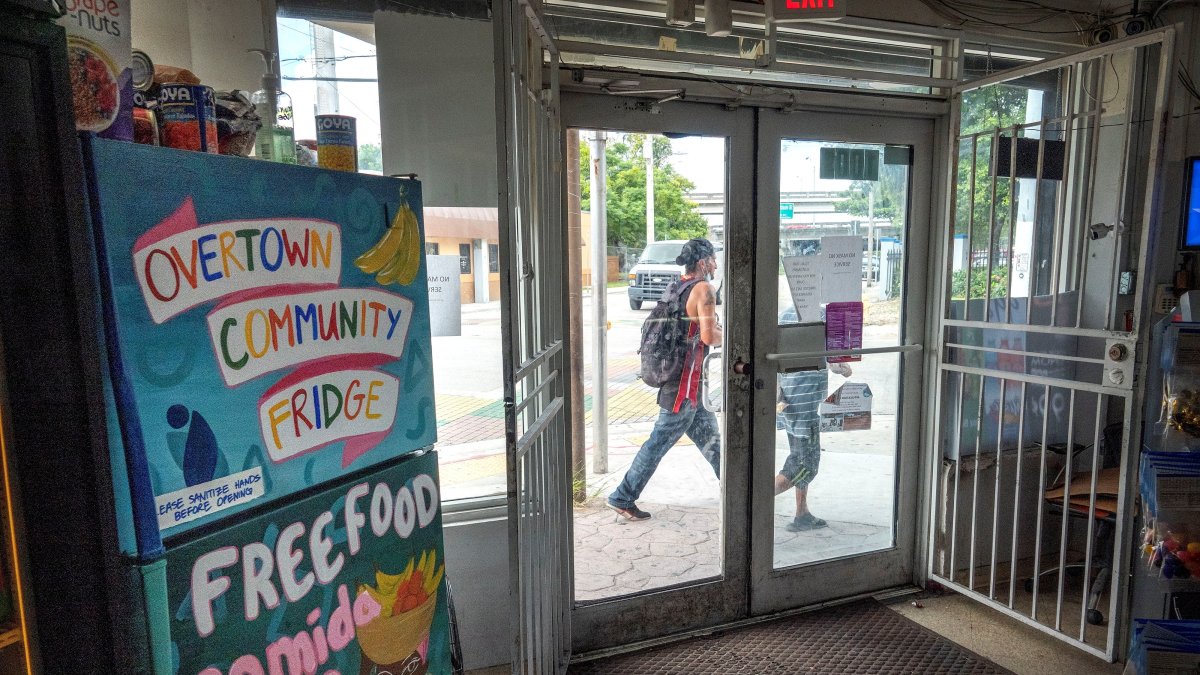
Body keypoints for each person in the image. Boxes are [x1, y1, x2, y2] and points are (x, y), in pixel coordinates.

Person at [608, 238, 723, 522]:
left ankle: (739, 489)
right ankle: (622, 496)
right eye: (713, 259)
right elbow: (709, 337)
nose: (716, 264)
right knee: (657, 443)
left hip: (685, 384)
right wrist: (738, 337)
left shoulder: (676, 286)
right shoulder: (704, 289)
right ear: (703, 262)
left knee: (714, 443)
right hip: (684, 386)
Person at [774, 305, 852, 532]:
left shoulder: (786, 313)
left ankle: (802, 513)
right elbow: (836, 361)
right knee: (805, 464)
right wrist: (845, 369)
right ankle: (753, 501)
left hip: (789, 398)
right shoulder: (822, 316)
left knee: (799, 455)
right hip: (807, 402)